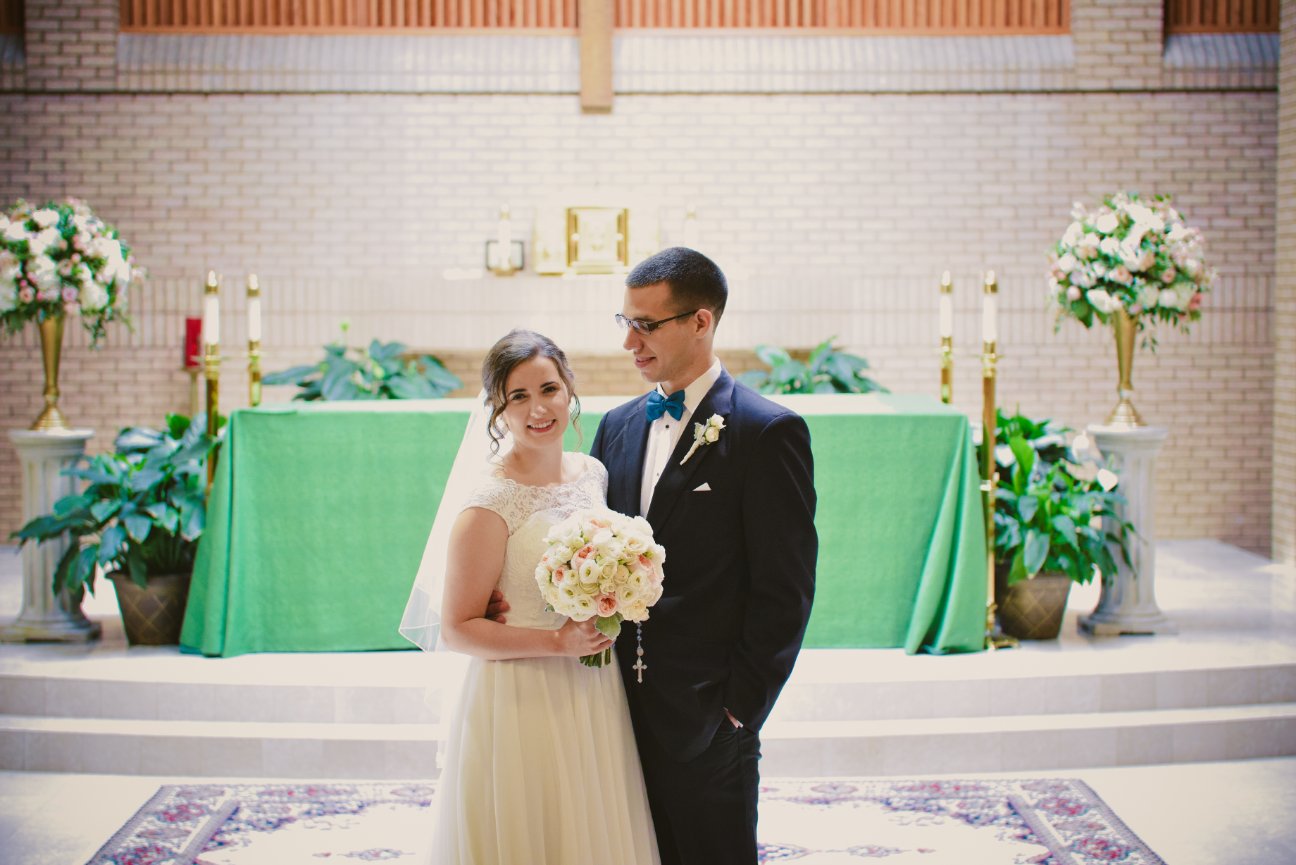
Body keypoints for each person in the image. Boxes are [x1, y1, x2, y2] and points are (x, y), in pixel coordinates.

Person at [589, 247, 818, 865]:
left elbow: (786, 585)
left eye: (646, 325)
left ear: (701, 321)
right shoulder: (615, 426)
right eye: (626, 322)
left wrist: (739, 708)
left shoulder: (766, 432)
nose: (630, 342)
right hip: (613, 711)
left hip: (709, 716)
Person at [401, 329, 660, 865]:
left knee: (588, 824)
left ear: (569, 390)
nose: (538, 409)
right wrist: (557, 644)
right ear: (498, 410)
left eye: (548, 389)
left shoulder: (593, 474)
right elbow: (457, 628)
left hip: (592, 687)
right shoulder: (489, 503)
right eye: (518, 396)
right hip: (520, 693)